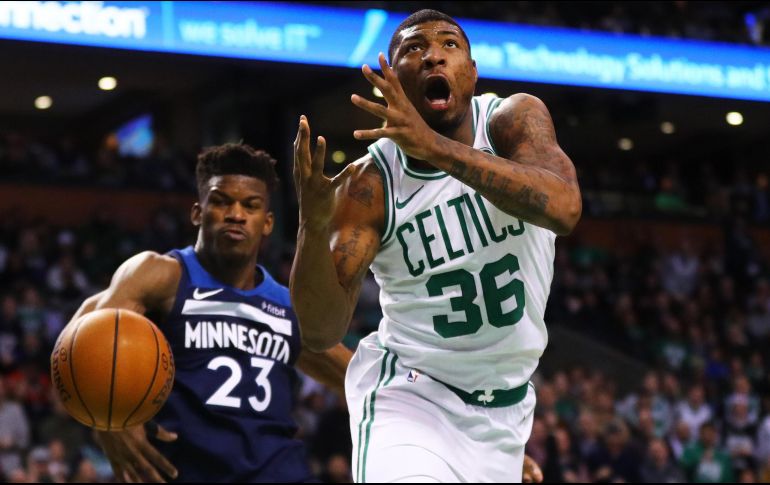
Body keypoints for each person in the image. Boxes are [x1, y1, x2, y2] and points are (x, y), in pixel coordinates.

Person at [291, 8, 581, 483]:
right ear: (392, 80)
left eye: (449, 45)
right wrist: (312, 226)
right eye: (413, 49)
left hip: (506, 413)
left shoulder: (511, 121)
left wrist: (433, 147)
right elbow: (318, 333)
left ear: (472, 72)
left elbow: (564, 208)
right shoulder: (370, 184)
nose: (433, 57)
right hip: (411, 398)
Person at [66, 144, 352, 482]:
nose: (236, 214)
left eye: (251, 205)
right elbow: (79, 338)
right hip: (186, 470)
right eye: (221, 201)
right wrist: (107, 421)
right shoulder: (161, 274)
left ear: (267, 223)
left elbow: (359, 377)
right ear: (198, 213)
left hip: (278, 471)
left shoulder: (289, 305)